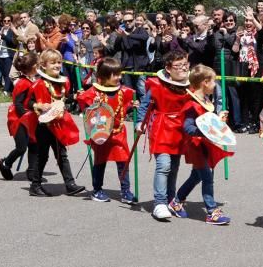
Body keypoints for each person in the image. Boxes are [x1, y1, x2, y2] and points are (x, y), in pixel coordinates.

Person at [174, 64, 233, 225]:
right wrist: (204, 131)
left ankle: (176, 200)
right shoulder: (192, 104)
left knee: (196, 176)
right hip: (196, 145)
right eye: (214, 81)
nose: (215, 85)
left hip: (205, 144)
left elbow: (208, 121)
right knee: (207, 177)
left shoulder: (205, 100)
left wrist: (218, 119)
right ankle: (211, 211)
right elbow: (188, 127)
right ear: (205, 82)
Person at [75, 57, 138, 203]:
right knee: (100, 161)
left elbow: (121, 110)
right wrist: (87, 102)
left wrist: (132, 106)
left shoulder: (123, 91)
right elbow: (85, 108)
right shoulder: (95, 92)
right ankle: (97, 190)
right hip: (101, 133)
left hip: (119, 132)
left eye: (119, 74)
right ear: (103, 77)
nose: (119, 77)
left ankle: (126, 191)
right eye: (115, 75)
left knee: (123, 160)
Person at [27, 49, 85, 198]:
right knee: (43, 156)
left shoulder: (63, 82)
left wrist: (75, 96)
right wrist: (39, 106)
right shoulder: (38, 84)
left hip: (59, 124)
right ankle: (35, 185)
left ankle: (70, 184)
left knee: (62, 155)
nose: (57, 65)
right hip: (43, 126)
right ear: (43, 65)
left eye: (59, 62)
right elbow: (27, 103)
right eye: (53, 63)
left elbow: (64, 100)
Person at [144, 51, 193, 221]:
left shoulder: (190, 86)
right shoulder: (157, 85)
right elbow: (145, 105)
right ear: (168, 68)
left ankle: (171, 200)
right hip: (161, 128)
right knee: (163, 165)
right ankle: (159, 202)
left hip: (180, 131)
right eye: (178, 66)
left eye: (185, 64)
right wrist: (138, 124)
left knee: (174, 168)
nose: (183, 68)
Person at [0, 52, 38, 181]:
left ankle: (32, 171)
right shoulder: (23, 83)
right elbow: (18, 103)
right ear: (33, 66)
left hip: (30, 117)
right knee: (21, 147)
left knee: (34, 144)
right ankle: (6, 163)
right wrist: (26, 117)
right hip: (19, 118)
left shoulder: (32, 81)